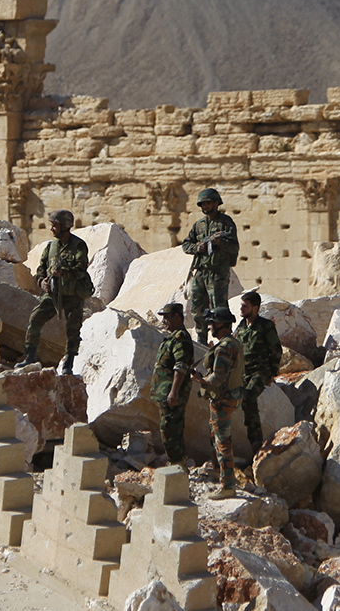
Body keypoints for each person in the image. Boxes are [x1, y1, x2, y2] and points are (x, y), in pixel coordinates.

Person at [18, 209, 91, 374]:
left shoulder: (78, 246)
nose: (51, 229)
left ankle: (68, 364)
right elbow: (40, 270)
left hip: (73, 294)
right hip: (53, 293)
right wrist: (41, 282)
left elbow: (81, 270)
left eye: (55, 226)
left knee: (73, 330)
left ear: (65, 226)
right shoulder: (50, 247)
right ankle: (30, 357)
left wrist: (63, 272)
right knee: (35, 319)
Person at [190, 307, 244, 499]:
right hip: (224, 398)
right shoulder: (231, 343)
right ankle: (217, 469)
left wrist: (199, 379)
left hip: (222, 399)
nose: (210, 326)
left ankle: (228, 485)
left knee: (222, 441)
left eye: (212, 323)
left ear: (222, 324)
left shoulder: (224, 348)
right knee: (215, 436)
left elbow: (217, 379)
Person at [182, 188, 239, 345]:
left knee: (219, 309)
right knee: (197, 309)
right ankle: (201, 340)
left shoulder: (226, 223)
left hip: (218, 272)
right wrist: (197, 248)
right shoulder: (199, 225)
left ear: (216, 203)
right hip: (201, 272)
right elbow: (186, 244)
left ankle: (225, 341)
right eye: (203, 203)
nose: (206, 206)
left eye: (209, 202)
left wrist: (219, 242)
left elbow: (234, 248)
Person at [234, 291, 282, 453]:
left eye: (244, 306)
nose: (241, 308)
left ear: (255, 308)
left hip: (259, 372)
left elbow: (276, 350)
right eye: (241, 305)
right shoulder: (241, 327)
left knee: (248, 398)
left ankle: (256, 443)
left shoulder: (265, 326)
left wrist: (272, 373)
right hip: (243, 372)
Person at [150, 301, 194, 471]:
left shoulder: (180, 338)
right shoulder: (173, 337)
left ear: (177, 317)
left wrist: (174, 392)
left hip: (172, 395)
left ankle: (176, 466)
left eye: (167, 317)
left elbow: (181, 367)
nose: (164, 321)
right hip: (165, 393)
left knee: (171, 430)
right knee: (169, 429)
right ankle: (177, 464)